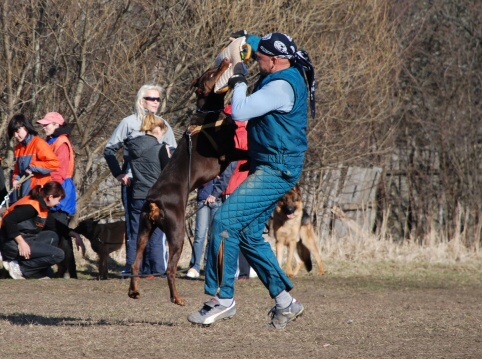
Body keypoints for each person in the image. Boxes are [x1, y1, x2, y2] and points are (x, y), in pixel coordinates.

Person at [188, 31, 316, 329]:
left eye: (260, 59)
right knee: (248, 234)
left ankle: (222, 299)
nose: (256, 61)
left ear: (275, 60)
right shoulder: (280, 63)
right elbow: (257, 44)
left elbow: (243, 109)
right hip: (270, 163)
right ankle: (286, 302)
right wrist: (244, 38)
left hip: (276, 169)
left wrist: (239, 78)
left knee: (224, 222)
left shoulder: (282, 87)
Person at [103, 84, 177, 275]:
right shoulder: (128, 123)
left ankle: (156, 268)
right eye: (151, 98)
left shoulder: (163, 124)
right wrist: (118, 173)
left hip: (157, 185)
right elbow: (109, 149)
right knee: (134, 225)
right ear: (141, 100)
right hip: (132, 183)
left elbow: (173, 153)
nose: (155, 102)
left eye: (158, 99)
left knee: (156, 226)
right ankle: (133, 266)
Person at [0, 181, 84, 279]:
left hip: (27, 239)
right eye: (59, 199)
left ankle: (35, 269)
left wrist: (75, 234)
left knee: (53, 236)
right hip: (12, 245)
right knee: (58, 255)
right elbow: (8, 220)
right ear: (50, 197)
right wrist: (21, 243)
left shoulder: (42, 206)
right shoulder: (31, 207)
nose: (59, 203)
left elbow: (55, 226)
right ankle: (20, 268)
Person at [126, 112, 171, 277]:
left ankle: (139, 269)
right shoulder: (160, 148)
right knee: (157, 235)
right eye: (162, 131)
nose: (162, 135)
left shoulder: (132, 146)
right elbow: (168, 173)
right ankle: (158, 270)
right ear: (157, 129)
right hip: (156, 196)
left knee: (139, 234)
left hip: (137, 195)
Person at [36, 112, 78, 278]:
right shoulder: (52, 141)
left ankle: (69, 272)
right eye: (43, 124)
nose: (43, 127)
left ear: (57, 125)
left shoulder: (61, 142)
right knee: (55, 232)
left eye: (47, 124)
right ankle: (63, 270)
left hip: (59, 192)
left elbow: (59, 172)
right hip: (54, 190)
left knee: (62, 233)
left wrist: (51, 194)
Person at [186, 167, 234, 279]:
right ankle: (195, 266)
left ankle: (208, 266)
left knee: (212, 236)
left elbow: (227, 177)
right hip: (203, 198)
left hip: (217, 200)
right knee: (199, 234)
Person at [8, 114, 60, 202]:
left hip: (38, 193)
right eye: (13, 133)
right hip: (25, 193)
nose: (16, 135)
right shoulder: (18, 148)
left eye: (17, 131)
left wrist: (33, 167)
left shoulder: (38, 143)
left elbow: (54, 163)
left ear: (26, 127)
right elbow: (17, 170)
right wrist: (16, 180)